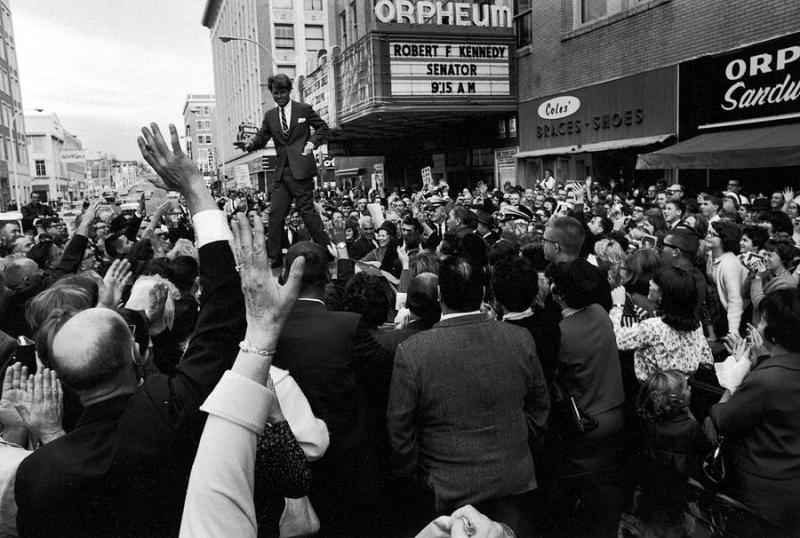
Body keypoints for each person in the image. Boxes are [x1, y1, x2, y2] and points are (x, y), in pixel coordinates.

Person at [14, 123, 245, 537]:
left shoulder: (37, 475)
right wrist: (194, 186)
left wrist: (52, 440)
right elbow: (224, 315)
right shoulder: (170, 414)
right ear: (137, 354)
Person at [387, 254, 550, 536]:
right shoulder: (519, 338)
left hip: (449, 487)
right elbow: (540, 410)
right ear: (484, 292)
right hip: (510, 480)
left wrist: (420, 478)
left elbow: (400, 431)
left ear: (439, 294)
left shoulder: (414, 351)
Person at [271, 240, 375, 535]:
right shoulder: (348, 325)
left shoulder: (268, 330)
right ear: (326, 277)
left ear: (285, 277)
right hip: (347, 467)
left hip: (290, 470)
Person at [706, 288, 800, 530]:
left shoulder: (768, 379)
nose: (757, 325)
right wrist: (761, 361)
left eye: (763, 320)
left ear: (776, 333)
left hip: (758, 489)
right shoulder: (780, 369)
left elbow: (722, 417)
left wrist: (741, 369)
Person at [547, 258, 625, 537]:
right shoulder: (599, 312)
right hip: (615, 414)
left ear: (559, 292)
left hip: (586, 425)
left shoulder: (562, 333)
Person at [235, 74, 330, 268]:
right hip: (281, 172)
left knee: (307, 213)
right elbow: (261, 137)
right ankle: (274, 257)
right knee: (275, 215)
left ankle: (326, 251)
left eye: (283, 92)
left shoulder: (303, 109)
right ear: (272, 93)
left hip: (301, 170)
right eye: (275, 93)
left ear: (289, 91)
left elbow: (323, 128)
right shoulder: (270, 115)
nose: (279, 96)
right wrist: (249, 144)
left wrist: (311, 143)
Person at [611, 266, 713, 381]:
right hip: (682, 392)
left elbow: (618, 340)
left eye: (654, 282)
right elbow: (707, 361)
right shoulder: (696, 326)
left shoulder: (653, 327)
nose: (650, 282)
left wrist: (618, 305)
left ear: (663, 294)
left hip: (652, 391)